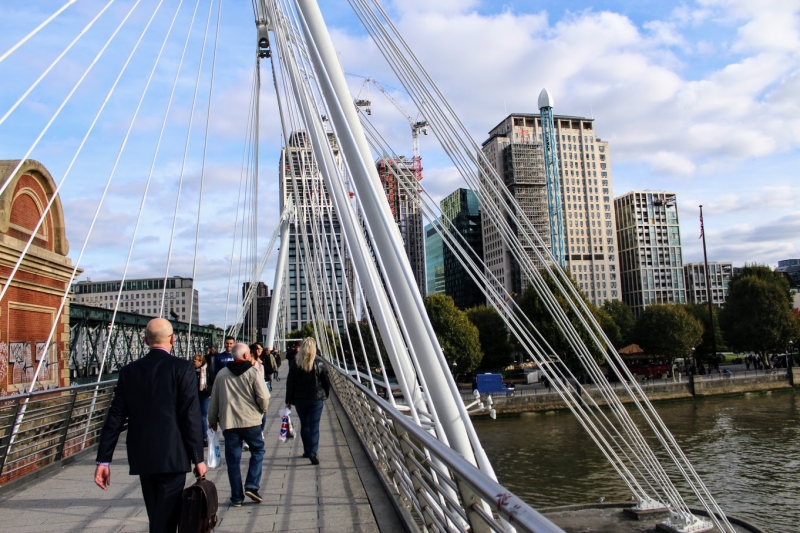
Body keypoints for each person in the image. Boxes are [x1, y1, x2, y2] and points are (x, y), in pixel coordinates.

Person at [94, 318, 207, 533]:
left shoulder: (129, 371)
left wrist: (103, 460)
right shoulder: (182, 368)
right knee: (166, 517)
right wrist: (198, 458)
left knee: (156, 512)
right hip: (173, 455)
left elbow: (115, 417)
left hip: (142, 456)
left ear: (145, 340)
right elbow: (190, 416)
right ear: (173, 339)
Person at [208, 343, 270, 507]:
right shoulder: (253, 373)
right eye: (249, 354)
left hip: (229, 423)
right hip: (250, 421)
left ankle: (236, 497)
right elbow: (263, 397)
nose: (250, 356)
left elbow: (214, 400)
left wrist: (212, 420)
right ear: (244, 356)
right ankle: (251, 485)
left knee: (233, 460)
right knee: (258, 450)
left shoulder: (221, 374)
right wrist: (262, 410)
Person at [285, 337, 330, 465]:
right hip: (316, 398)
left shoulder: (295, 363)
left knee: (304, 424)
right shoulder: (319, 362)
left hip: (300, 399)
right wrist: (327, 393)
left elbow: (290, 383)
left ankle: (307, 450)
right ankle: (313, 452)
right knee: (314, 426)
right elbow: (325, 380)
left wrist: (288, 400)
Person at [193, 354, 212, 446]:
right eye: (193, 360)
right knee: (195, 417)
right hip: (194, 396)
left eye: (196, 360)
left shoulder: (207, 370)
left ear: (201, 362)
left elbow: (212, 381)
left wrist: (209, 391)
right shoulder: (191, 371)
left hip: (205, 396)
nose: (194, 362)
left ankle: (204, 437)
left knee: (203, 417)